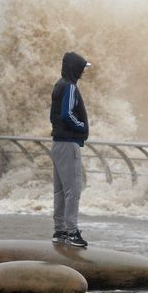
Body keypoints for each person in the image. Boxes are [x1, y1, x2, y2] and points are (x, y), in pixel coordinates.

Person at [49, 51, 91, 247]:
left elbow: (56, 115)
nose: (83, 72)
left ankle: (60, 231)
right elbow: (67, 114)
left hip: (57, 143)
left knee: (60, 191)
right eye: (82, 68)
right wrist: (81, 127)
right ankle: (72, 233)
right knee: (73, 190)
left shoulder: (59, 84)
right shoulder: (71, 87)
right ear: (75, 68)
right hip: (68, 144)